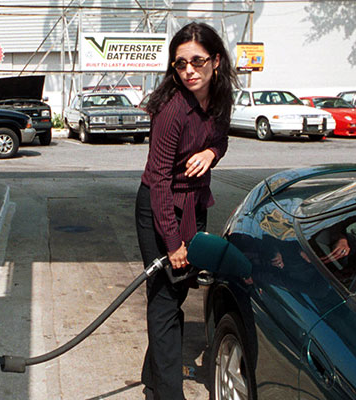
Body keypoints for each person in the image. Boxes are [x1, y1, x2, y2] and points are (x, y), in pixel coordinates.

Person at [135, 22, 237, 400]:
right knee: (163, 300)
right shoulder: (171, 110)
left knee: (177, 296)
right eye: (180, 64)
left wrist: (211, 153)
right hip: (159, 210)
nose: (189, 70)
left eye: (197, 61)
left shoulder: (221, 100)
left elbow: (222, 140)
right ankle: (166, 393)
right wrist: (173, 241)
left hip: (195, 205)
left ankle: (153, 377)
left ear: (216, 60)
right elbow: (159, 180)